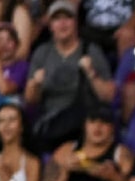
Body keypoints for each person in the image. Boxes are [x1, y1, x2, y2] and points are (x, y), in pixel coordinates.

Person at [25, 1, 115, 150]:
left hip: (83, 124)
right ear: (50, 25)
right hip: (51, 124)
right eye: (57, 19)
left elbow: (109, 96)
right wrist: (35, 83)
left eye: (68, 18)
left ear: (76, 22)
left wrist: (92, 73)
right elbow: (30, 100)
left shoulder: (91, 51)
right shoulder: (42, 53)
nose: (63, 23)